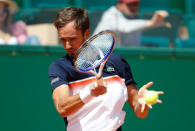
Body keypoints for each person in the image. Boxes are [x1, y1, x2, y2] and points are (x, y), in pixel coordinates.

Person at [48, 7, 164, 131]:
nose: (67, 45)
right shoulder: (60, 67)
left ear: (87, 34)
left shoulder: (117, 62)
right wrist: (89, 92)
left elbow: (140, 112)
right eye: (63, 40)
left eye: (72, 39)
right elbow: (62, 107)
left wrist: (141, 102)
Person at [93, 0, 171, 46]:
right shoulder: (110, 14)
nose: (133, 7)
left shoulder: (135, 18)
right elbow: (125, 27)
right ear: (119, 5)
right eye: (129, 5)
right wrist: (151, 23)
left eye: (135, 4)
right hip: (93, 58)